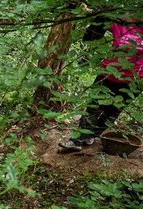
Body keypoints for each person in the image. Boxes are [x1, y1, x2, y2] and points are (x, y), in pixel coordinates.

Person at [59, 19, 142, 153]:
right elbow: (91, 36)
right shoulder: (119, 23)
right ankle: (76, 140)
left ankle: (92, 135)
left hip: (134, 80)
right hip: (108, 73)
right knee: (93, 106)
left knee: (112, 111)